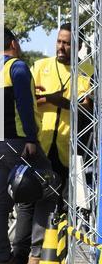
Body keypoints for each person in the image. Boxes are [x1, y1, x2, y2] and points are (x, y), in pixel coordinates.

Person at [0, 28, 56, 264]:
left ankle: (4, 260)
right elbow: (24, 106)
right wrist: (31, 137)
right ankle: (36, 256)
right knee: (48, 189)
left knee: (2, 202)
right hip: (19, 142)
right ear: (14, 43)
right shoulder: (18, 67)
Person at [32, 22, 92, 207]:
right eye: (59, 41)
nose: (61, 47)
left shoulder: (87, 71)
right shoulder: (41, 66)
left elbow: (89, 108)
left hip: (71, 149)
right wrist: (49, 99)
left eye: (66, 43)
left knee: (65, 204)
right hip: (41, 144)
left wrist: (64, 103)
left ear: (78, 46)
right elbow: (27, 101)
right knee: (39, 201)